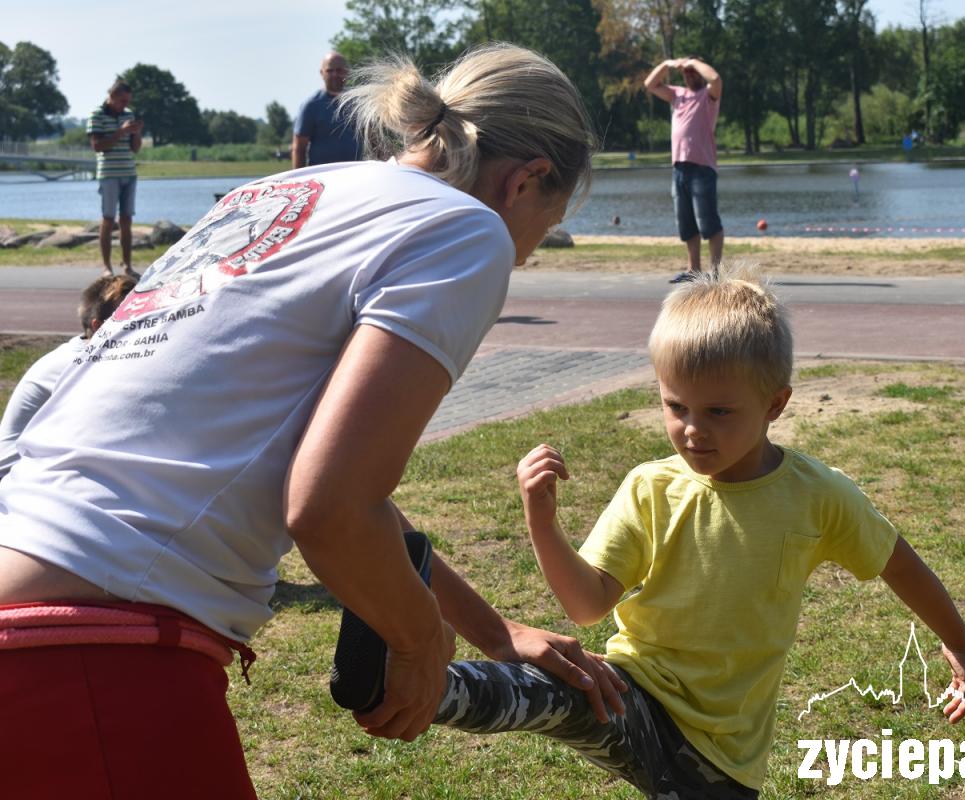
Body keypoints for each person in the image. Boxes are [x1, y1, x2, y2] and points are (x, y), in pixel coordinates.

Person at [0, 44, 619, 798]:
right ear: (527, 181)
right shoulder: (466, 228)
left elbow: (324, 473)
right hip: (87, 646)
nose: (519, 257)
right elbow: (327, 506)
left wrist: (495, 634)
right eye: (540, 233)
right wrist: (420, 638)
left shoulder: (276, 193)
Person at [432, 267, 965, 798]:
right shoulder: (651, 487)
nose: (693, 431)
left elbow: (899, 565)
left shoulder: (819, 496)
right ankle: (421, 684)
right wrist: (541, 519)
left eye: (719, 412)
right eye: (676, 406)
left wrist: (961, 646)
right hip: (631, 694)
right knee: (542, 693)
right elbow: (586, 604)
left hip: (722, 753)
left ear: (776, 404)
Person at [0, 274, 136, 481]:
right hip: (14, 479)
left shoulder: (89, 353)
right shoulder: (80, 364)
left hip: (34, 470)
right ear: (99, 327)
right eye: (131, 322)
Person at [644, 56, 724, 283]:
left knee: (708, 221)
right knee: (686, 222)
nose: (689, 75)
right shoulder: (677, 95)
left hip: (702, 167)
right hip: (679, 167)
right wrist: (668, 65)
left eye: (693, 72)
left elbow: (716, 78)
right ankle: (694, 270)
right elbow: (650, 85)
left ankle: (717, 272)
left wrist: (692, 62)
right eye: (686, 73)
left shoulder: (708, 96)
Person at [87, 78, 144, 278]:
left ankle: (127, 265)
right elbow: (97, 146)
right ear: (111, 97)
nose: (125, 105)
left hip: (129, 172)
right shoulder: (96, 115)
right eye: (121, 101)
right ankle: (106, 267)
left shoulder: (129, 115)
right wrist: (121, 132)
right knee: (108, 219)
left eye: (127, 101)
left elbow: (135, 149)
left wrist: (136, 133)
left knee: (127, 219)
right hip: (109, 174)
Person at [292, 52, 362, 168]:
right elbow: (299, 148)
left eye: (339, 70)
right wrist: (299, 180)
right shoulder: (311, 105)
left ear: (347, 72)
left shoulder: (357, 102)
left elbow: (373, 139)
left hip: (354, 173)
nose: (335, 74)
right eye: (330, 71)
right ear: (322, 73)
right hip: (322, 176)